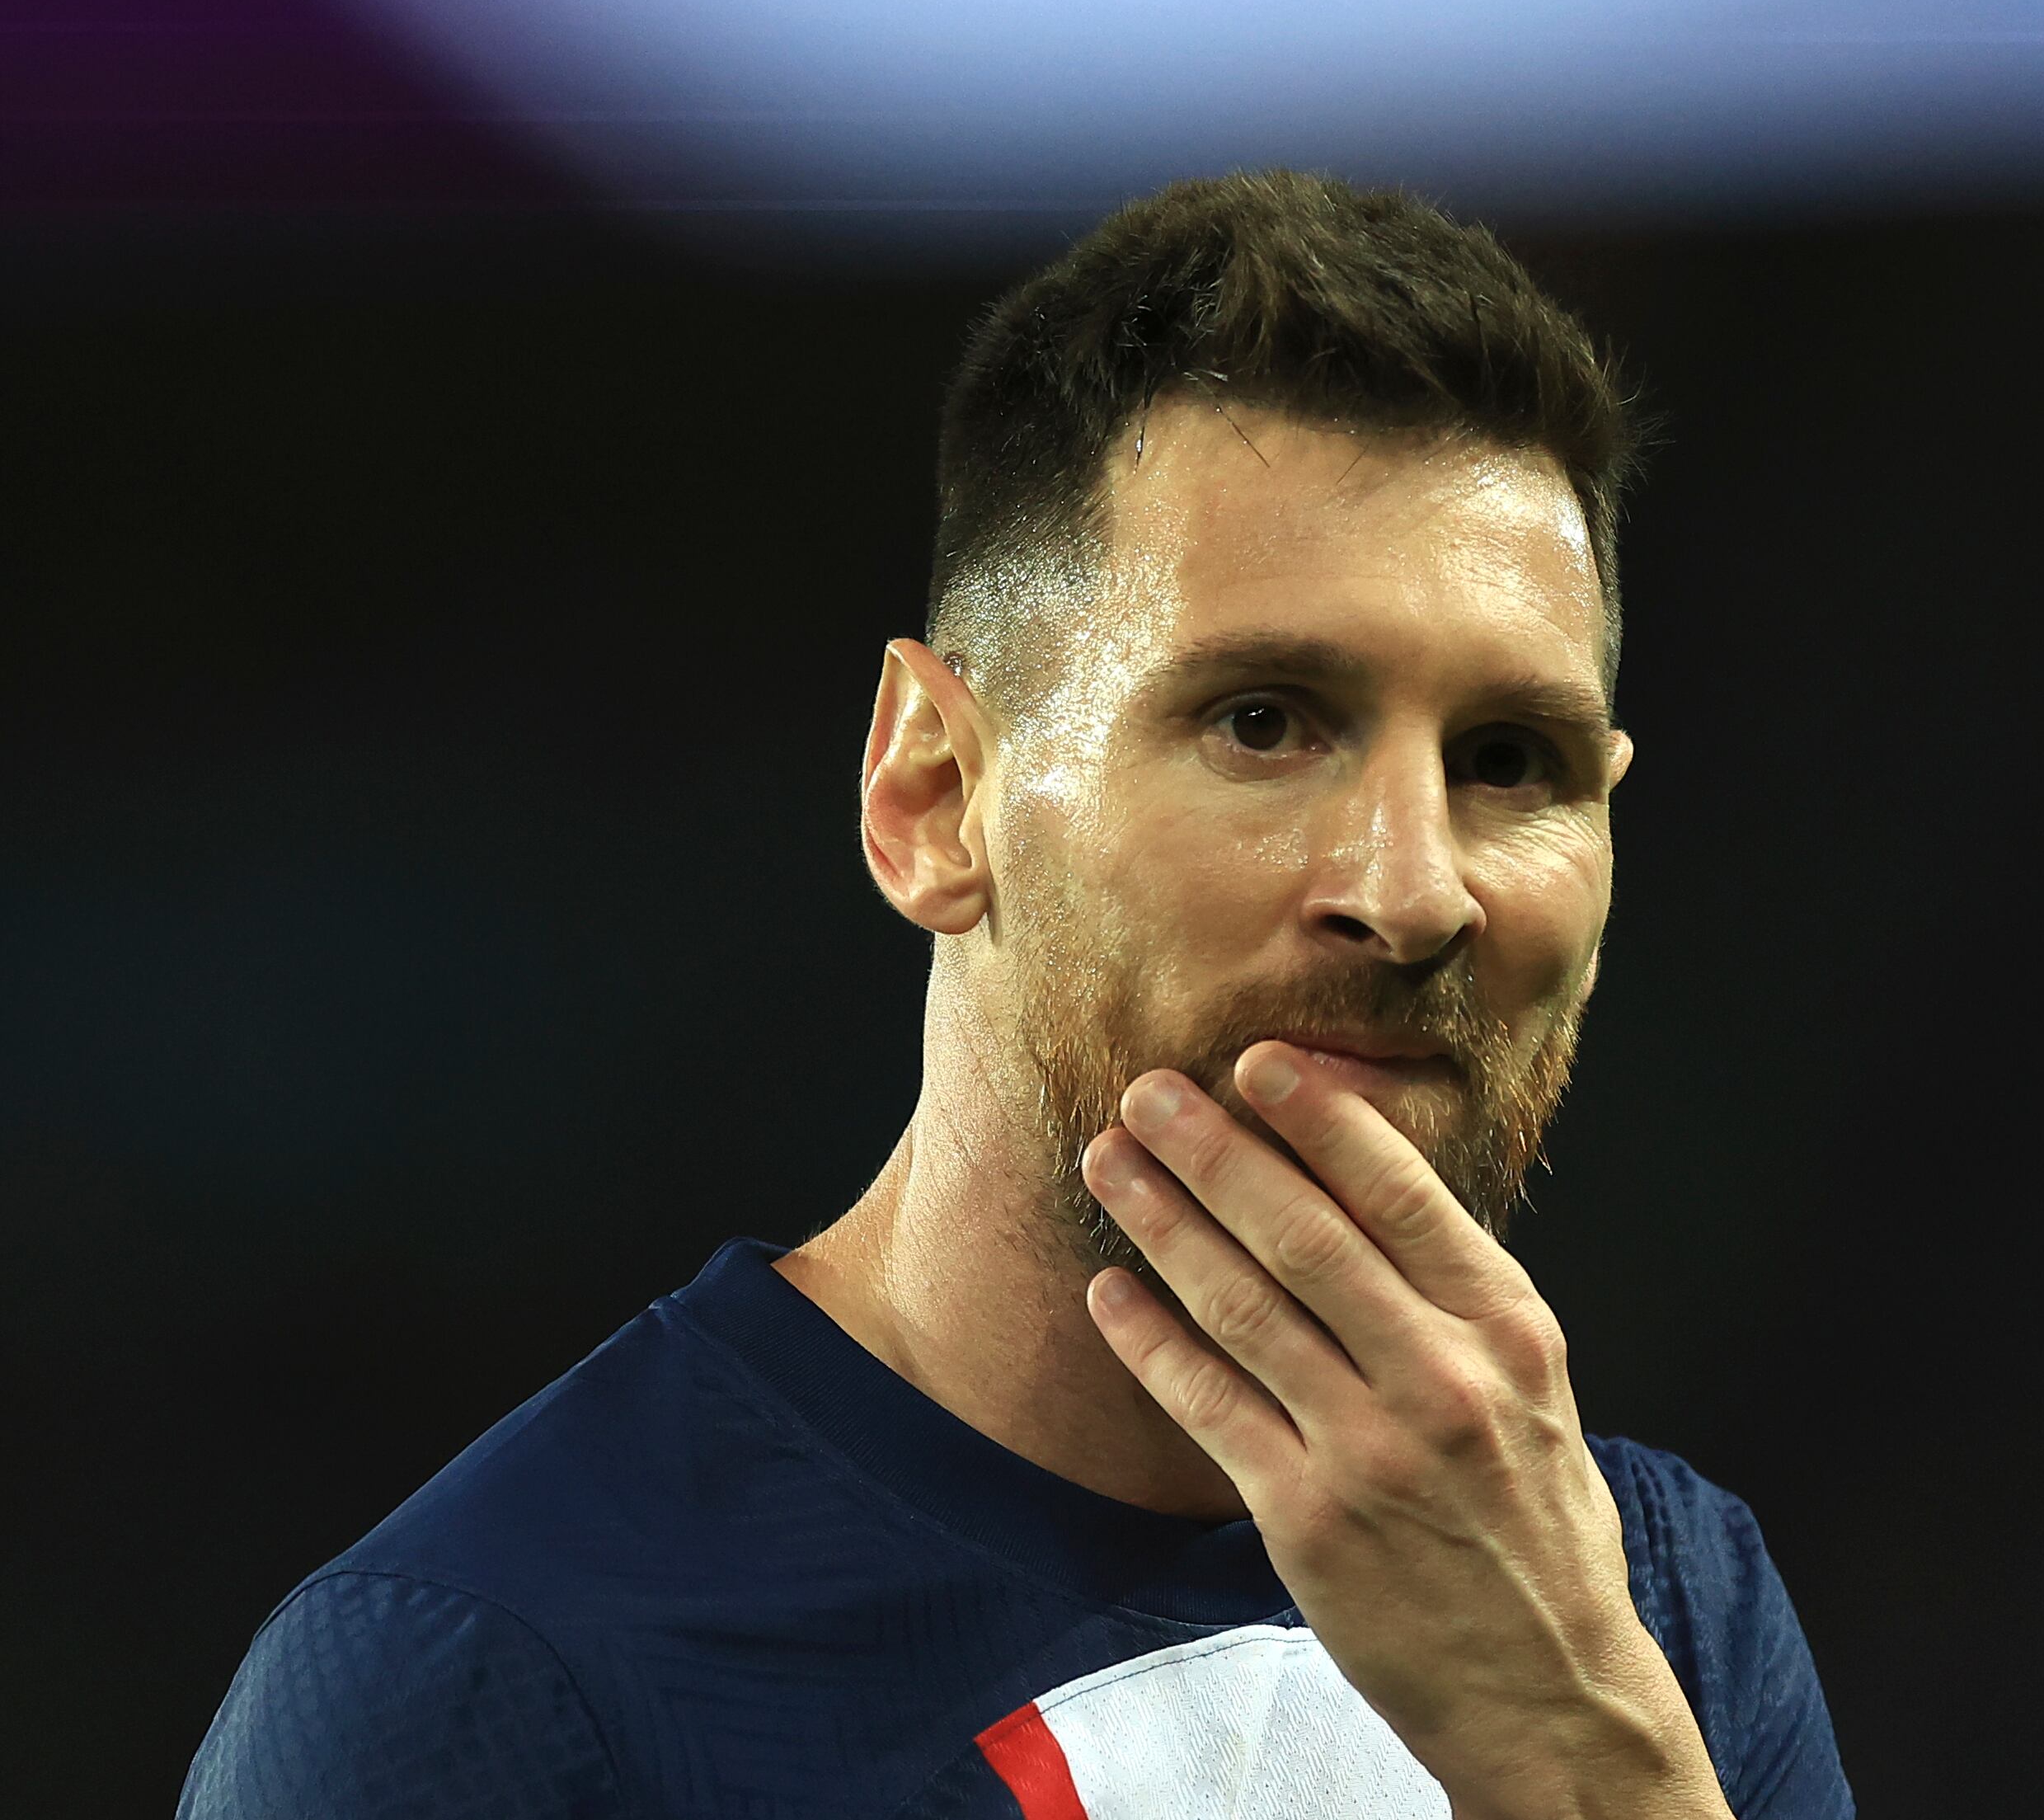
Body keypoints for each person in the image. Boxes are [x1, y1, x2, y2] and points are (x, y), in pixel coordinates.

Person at [180, 173, 1850, 1820]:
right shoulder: (485, 1689)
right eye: (1262, 721)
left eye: (1508, 760)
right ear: (931, 799)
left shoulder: (1655, 1618)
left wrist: (1585, 1769)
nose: (1411, 889)